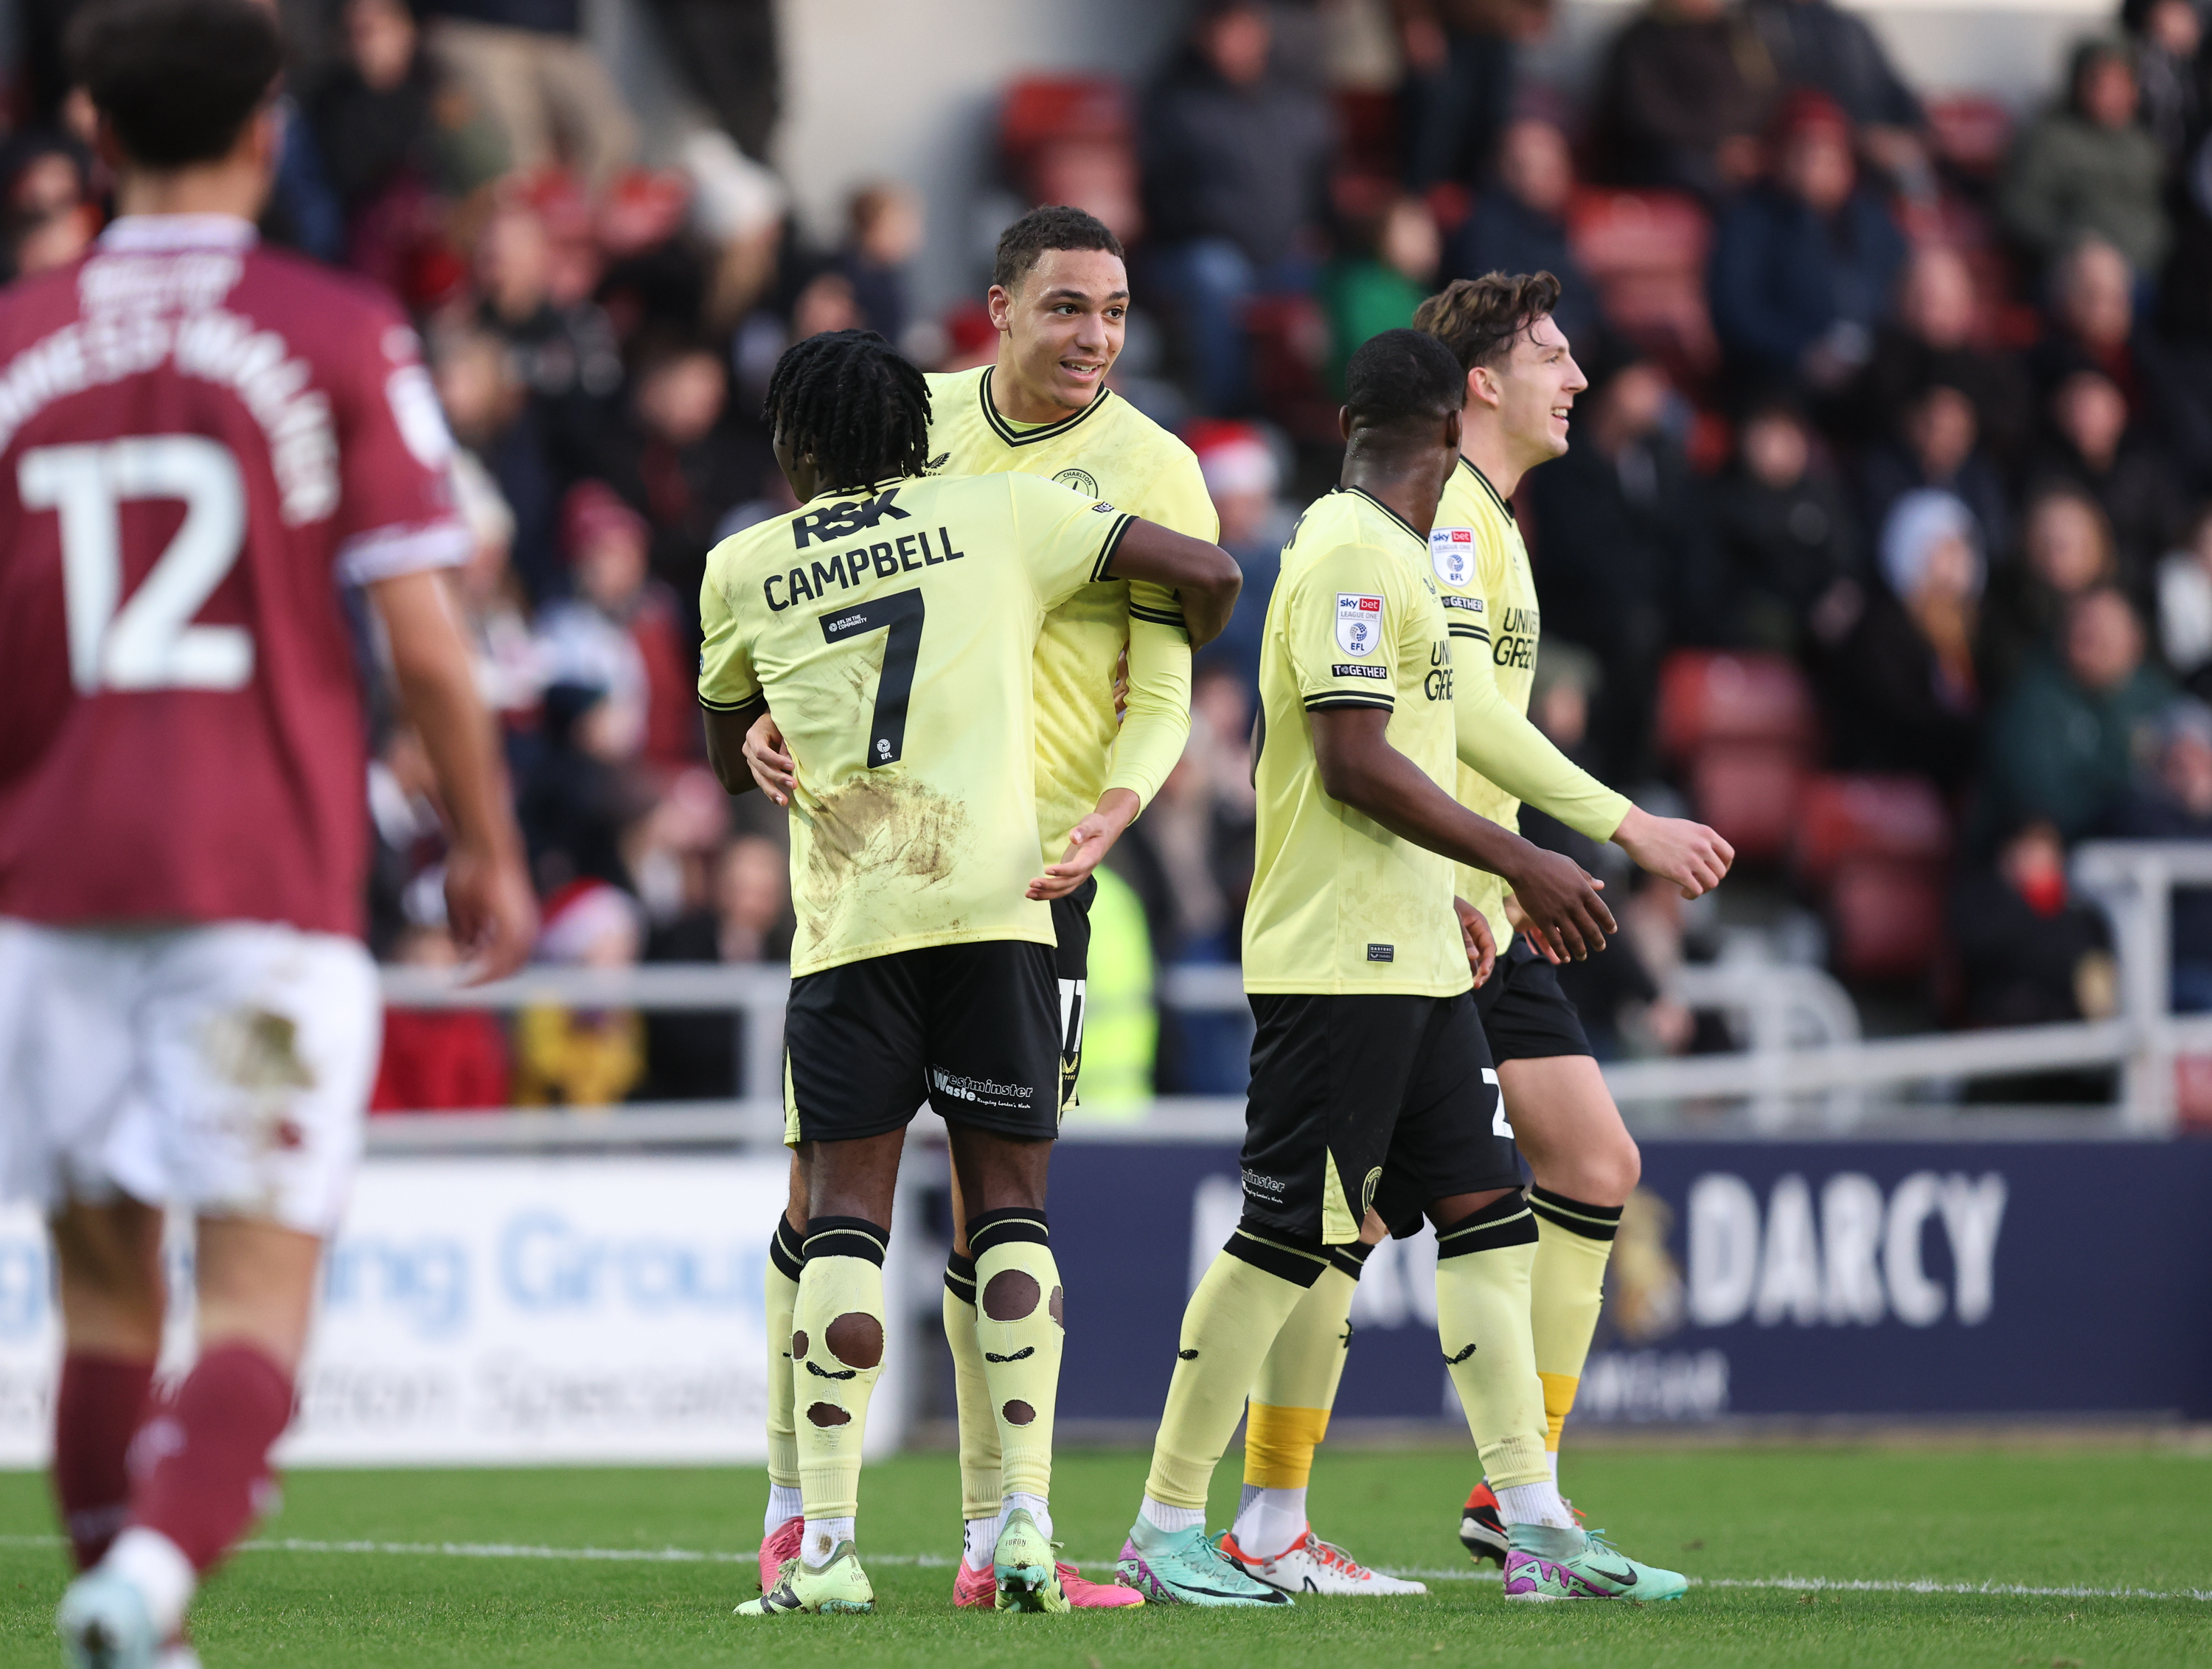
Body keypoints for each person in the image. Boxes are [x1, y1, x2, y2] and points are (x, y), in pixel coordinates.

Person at [0, 2, 538, 1662]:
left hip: (47, 896)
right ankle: (147, 1590)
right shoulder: (333, 327)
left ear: (94, 137)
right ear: (267, 131)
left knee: (104, 1298)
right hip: (255, 889)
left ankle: (133, 1627)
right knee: (251, 1309)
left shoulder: (13, 338)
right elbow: (430, 638)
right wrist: (488, 848)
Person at [1118, 328, 1686, 1609]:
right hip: (1340, 955)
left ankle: (1531, 1515)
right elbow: (1357, 758)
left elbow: (1448, 729)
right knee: (1285, 1235)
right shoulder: (1348, 555)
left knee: (1491, 1206)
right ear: (1444, 435)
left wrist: (1473, 887)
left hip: (1419, 948)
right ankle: (1166, 1523)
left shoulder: (1398, 556)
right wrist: (1522, 860)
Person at [704, 328, 1239, 1618]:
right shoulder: (1004, 513)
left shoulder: (743, 562)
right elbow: (1210, 569)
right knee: (1009, 1213)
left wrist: (771, 737)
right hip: (1002, 910)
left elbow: (732, 747)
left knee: (843, 1211)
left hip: (852, 925)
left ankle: (821, 1546)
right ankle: (1019, 1530)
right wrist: (1167, 628)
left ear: (797, 444)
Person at [1139, 0, 1334, 414]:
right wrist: (1219, 228)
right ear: (1203, 36)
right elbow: (1161, 198)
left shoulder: (1291, 98)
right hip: (1197, 252)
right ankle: (1228, 413)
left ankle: (1336, 417)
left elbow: (1321, 177)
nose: (1238, 41)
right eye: (1226, 30)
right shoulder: (1175, 100)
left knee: (1344, 277)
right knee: (1217, 276)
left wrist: (1319, 232)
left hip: (1284, 255)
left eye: (1247, 27)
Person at [1709, 90, 1908, 393]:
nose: (1817, 166)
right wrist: (1802, 353)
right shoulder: (1749, 220)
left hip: (1871, 372)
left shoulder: (1873, 219)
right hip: (1782, 375)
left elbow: (1902, 289)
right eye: (1804, 152)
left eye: (1830, 153)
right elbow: (1735, 312)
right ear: (1779, 156)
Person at [1999, 38, 2169, 279]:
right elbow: (2019, 208)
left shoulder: (2142, 145)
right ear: (2077, 84)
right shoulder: (2048, 140)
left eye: (2120, 81)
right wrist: (2075, 244)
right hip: (2076, 274)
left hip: (2149, 271)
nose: (2109, 92)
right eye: (2099, 81)